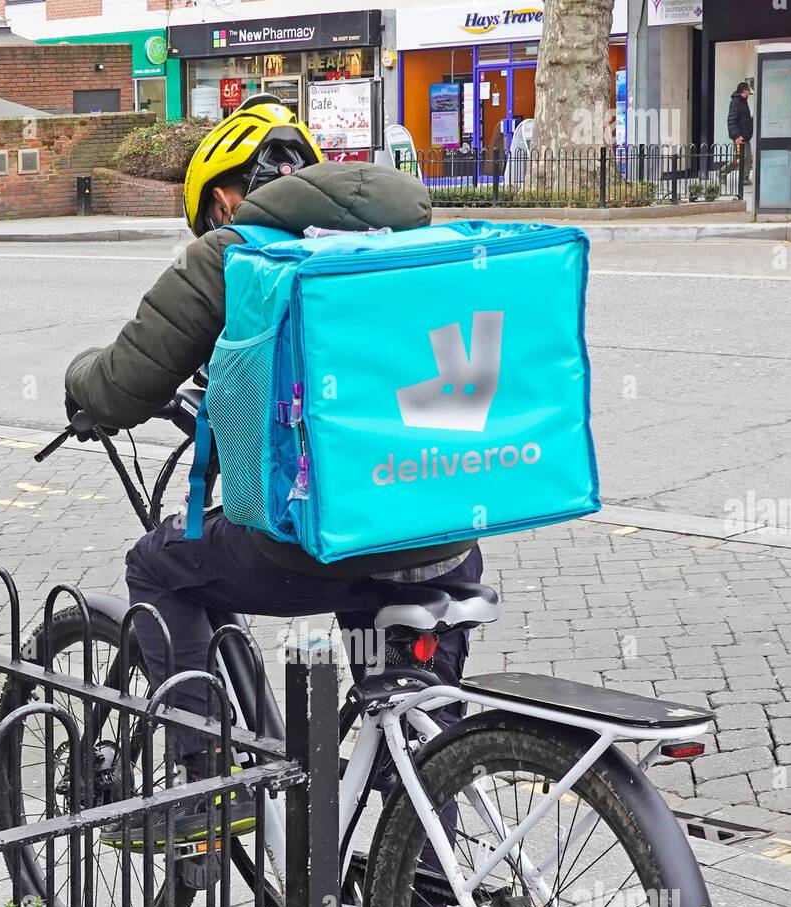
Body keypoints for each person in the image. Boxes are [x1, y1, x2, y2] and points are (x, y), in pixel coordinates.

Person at [64, 94, 483, 785]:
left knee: (159, 565)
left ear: (227, 199)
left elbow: (121, 384)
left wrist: (81, 385)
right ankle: (421, 892)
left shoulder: (234, 253)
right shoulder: (412, 247)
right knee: (422, 745)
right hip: (440, 532)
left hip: (312, 541)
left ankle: (203, 783)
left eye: (205, 218)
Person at [728, 80, 754, 187]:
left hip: (745, 136)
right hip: (739, 136)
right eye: (748, 90)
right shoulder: (736, 102)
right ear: (744, 90)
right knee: (738, 159)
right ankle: (723, 173)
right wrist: (736, 136)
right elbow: (731, 119)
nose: (749, 92)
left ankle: (744, 178)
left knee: (747, 157)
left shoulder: (743, 102)